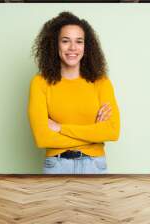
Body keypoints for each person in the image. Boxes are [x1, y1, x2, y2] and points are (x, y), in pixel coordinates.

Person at [28, 11, 120, 174]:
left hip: (95, 166)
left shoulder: (101, 82)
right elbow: (42, 138)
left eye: (79, 41)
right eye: (65, 41)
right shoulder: (40, 82)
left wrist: (60, 128)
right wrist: (93, 134)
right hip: (56, 166)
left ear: (87, 46)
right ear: (55, 44)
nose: (72, 48)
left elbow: (112, 131)